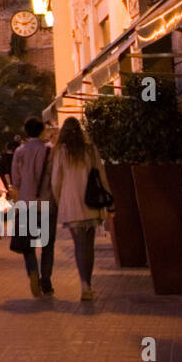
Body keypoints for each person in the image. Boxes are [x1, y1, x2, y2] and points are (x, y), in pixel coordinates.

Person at [50, 116, 111, 302]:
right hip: (91, 204)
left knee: (79, 246)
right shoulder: (91, 150)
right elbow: (102, 176)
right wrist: (109, 200)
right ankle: (88, 284)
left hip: (72, 204)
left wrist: (61, 201)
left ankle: (84, 283)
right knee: (89, 246)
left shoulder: (60, 152)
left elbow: (55, 182)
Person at [9, 117, 57, 297]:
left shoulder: (20, 152)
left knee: (27, 244)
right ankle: (46, 281)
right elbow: (55, 177)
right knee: (48, 245)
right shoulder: (50, 151)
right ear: (42, 130)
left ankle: (33, 271)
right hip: (47, 204)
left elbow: (16, 180)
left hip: (26, 204)